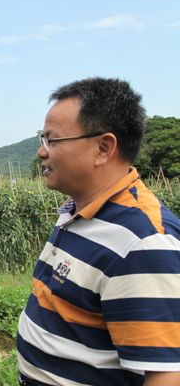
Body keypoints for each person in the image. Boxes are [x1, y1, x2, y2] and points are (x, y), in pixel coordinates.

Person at [16, 77, 180, 386]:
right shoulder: (77, 210)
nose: (41, 152)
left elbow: (166, 374)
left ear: (103, 148)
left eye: (52, 140)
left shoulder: (144, 242)